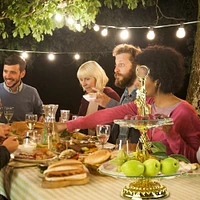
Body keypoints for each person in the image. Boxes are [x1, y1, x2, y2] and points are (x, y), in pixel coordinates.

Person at [57, 45, 200, 163]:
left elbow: (194, 159)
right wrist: (67, 125)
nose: (137, 82)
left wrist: (171, 133)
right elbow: (106, 115)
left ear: (158, 80)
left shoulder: (185, 112)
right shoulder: (145, 103)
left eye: (141, 78)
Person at [94, 44, 141, 144]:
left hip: (135, 156)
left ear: (137, 67)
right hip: (119, 152)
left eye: (121, 64)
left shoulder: (145, 95)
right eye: (116, 65)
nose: (116, 70)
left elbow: (134, 118)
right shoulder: (125, 94)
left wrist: (109, 103)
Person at [76, 60, 120, 135]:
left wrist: (98, 127)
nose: (83, 84)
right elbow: (81, 119)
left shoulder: (109, 94)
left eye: (87, 79)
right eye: (81, 80)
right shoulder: (86, 97)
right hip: (88, 144)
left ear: (98, 78)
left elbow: (118, 125)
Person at [0, 55, 43, 123]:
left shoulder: (32, 92)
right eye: (5, 71)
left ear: (22, 74)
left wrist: (43, 118)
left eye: (13, 72)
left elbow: (42, 115)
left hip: (24, 132)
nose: (8, 76)